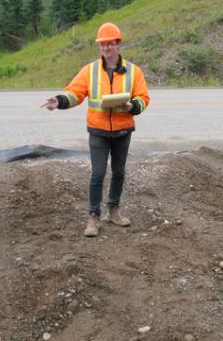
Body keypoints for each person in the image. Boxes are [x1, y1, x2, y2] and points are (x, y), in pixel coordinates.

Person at [41, 22, 150, 237]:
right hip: (98, 131)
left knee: (119, 172)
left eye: (110, 44)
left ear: (118, 45)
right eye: (103, 45)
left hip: (122, 131)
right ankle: (93, 217)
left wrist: (132, 106)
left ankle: (114, 211)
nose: (106, 48)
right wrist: (60, 101)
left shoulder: (133, 72)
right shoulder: (89, 71)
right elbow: (75, 93)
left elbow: (143, 97)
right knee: (98, 174)